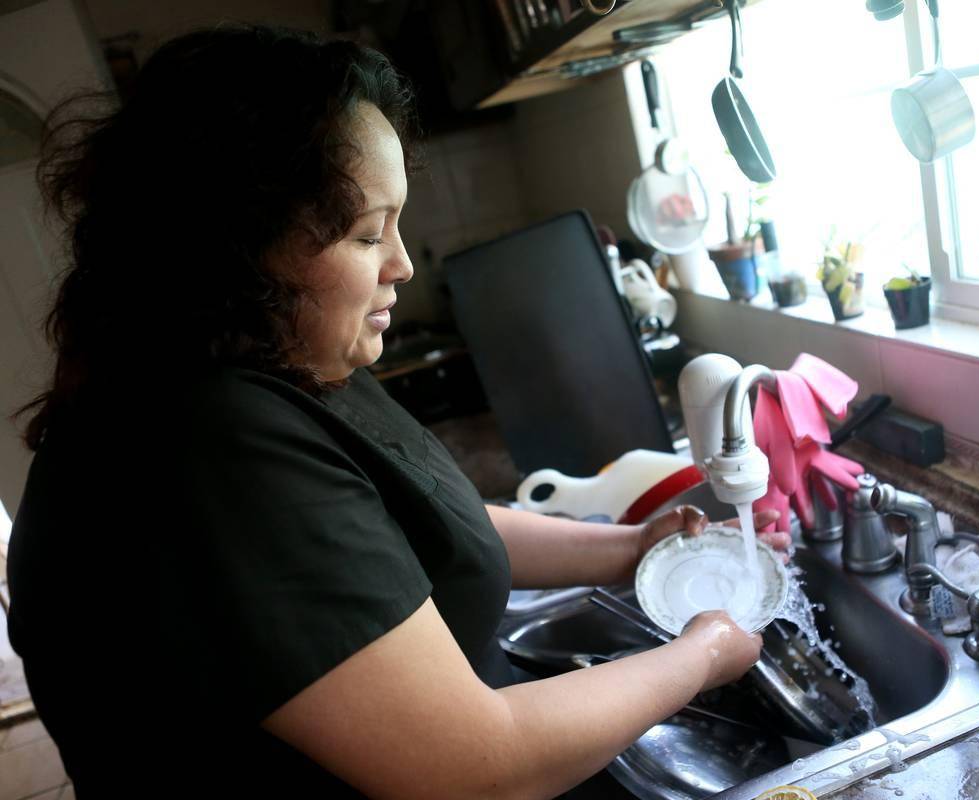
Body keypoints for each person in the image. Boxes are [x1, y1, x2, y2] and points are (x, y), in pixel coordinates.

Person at [4, 26, 789, 799]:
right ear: (243, 243)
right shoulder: (205, 445)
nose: (403, 263)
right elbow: (476, 769)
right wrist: (705, 653)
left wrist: (630, 546)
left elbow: (430, 521)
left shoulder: (288, 358)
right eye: (367, 232)